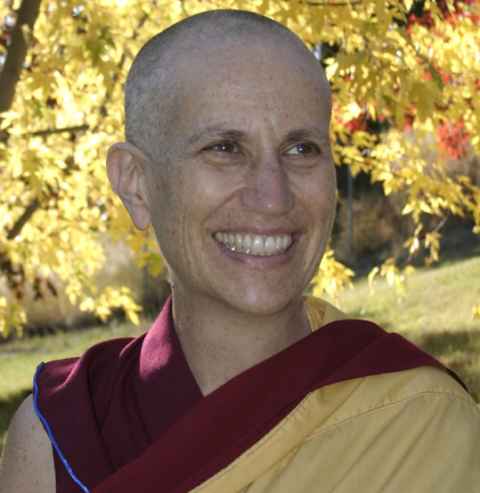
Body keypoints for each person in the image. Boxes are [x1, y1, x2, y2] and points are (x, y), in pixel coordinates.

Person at [1, 9, 479, 493]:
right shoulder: (59, 435)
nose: (273, 196)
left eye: (301, 149)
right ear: (137, 184)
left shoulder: (418, 424)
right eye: (225, 148)